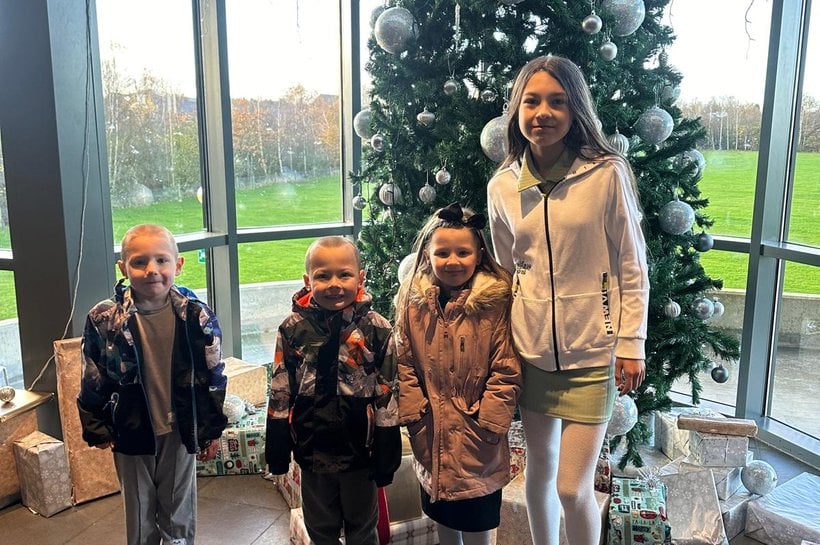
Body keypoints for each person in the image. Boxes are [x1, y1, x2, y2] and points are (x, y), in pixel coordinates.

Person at [486, 55, 649, 545]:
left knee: (572, 488)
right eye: (532, 101)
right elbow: (507, 268)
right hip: (532, 352)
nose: (543, 112)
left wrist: (631, 342)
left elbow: (632, 263)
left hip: (593, 353)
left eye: (557, 101)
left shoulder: (606, 174)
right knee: (538, 472)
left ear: (576, 109)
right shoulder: (502, 186)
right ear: (516, 110)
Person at [78, 223, 228, 545]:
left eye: (161, 260)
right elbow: (92, 373)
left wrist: (211, 427)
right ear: (123, 268)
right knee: (139, 513)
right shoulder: (105, 319)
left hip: (180, 428)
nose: (152, 270)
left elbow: (214, 373)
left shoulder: (197, 317)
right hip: (130, 429)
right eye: (139, 262)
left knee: (178, 514)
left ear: (178, 264)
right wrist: (96, 425)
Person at [393, 203, 522, 545]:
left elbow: (506, 367)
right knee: (442, 515)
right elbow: (403, 359)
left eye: (463, 252)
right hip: (431, 432)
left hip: (477, 436)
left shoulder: (495, 303)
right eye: (443, 253)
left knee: (478, 522)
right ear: (427, 255)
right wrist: (414, 411)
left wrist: (489, 421)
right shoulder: (413, 301)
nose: (453, 261)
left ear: (479, 255)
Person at [265, 236, 401, 545]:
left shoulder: (377, 328)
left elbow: (388, 389)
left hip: (360, 448)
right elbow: (280, 387)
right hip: (312, 444)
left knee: (362, 527)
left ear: (360, 278)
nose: (334, 284)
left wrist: (387, 447)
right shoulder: (293, 328)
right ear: (307, 281)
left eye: (344, 274)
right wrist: (278, 446)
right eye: (323, 276)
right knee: (320, 526)